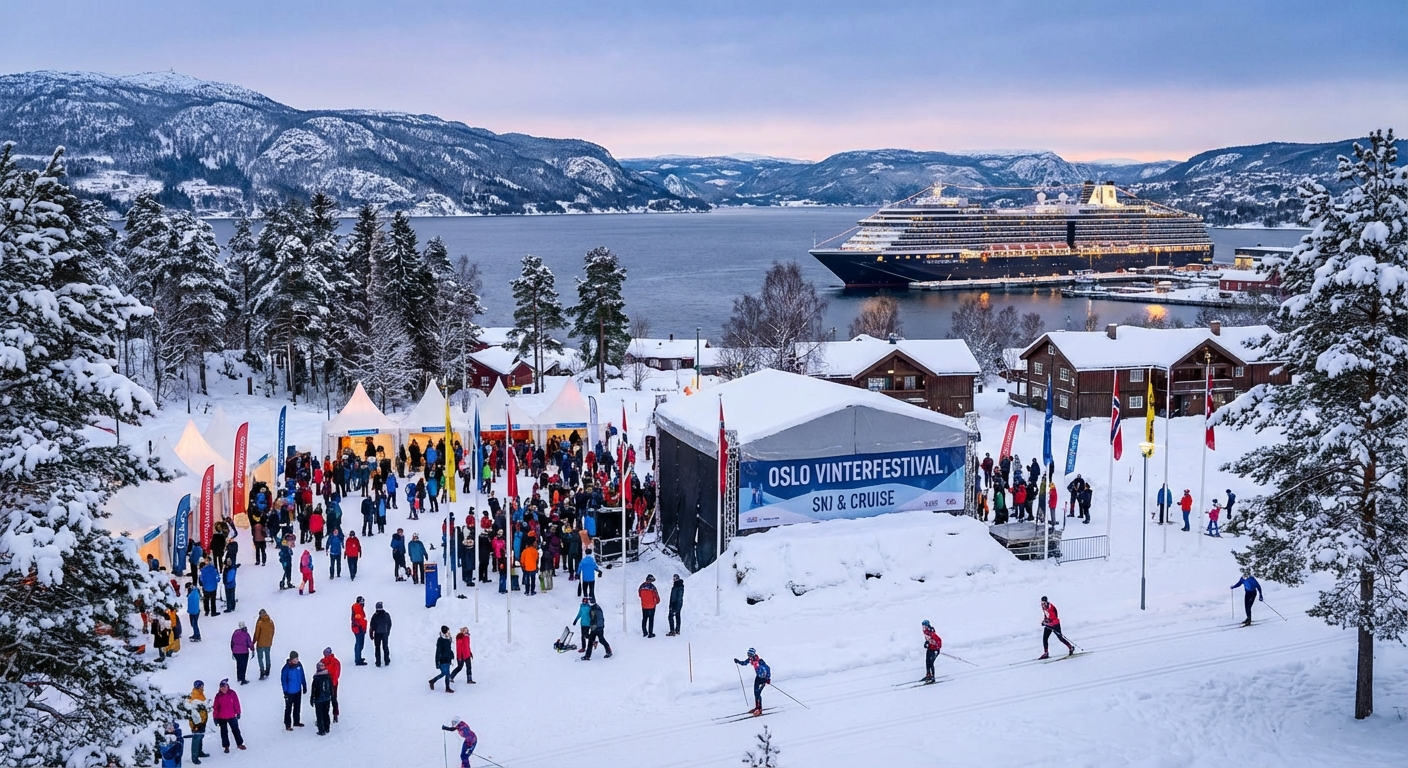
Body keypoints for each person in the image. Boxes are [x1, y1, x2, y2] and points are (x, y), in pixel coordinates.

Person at [211, 679, 245, 752]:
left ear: (227, 686)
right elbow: (216, 707)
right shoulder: (218, 696)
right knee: (224, 732)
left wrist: (238, 712)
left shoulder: (232, 693)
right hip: (221, 717)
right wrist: (215, 718)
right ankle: (226, 746)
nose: (223, 688)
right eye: (222, 687)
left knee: (236, 730)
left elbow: (236, 703)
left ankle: (240, 744)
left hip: (232, 715)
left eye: (224, 686)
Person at [734, 648, 771, 716]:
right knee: (755, 693)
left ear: (753, 654)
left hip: (763, 679)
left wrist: (768, 678)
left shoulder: (760, 661)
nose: (749, 656)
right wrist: (738, 661)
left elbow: (768, 668)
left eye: (750, 654)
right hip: (758, 678)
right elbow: (744, 663)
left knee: (758, 694)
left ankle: (759, 709)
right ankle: (757, 707)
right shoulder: (751, 660)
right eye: (748, 654)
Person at [280, 651, 307, 730]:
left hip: (298, 690)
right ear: (291, 659)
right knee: (288, 708)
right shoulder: (286, 669)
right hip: (289, 692)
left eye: (297, 659)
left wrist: (304, 685)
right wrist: (285, 692)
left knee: (297, 707)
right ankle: (287, 724)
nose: (296, 660)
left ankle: (296, 721)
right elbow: (284, 681)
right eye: (294, 659)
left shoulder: (299, 665)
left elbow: (302, 675)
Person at [187, 680, 211, 764]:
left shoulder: (200, 693)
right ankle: (194, 757)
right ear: (198, 686)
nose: (203, 687)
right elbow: (195, 709)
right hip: (196, 722)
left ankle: (199, 752)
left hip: (202, 720)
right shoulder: (195, 695)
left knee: (200, 736)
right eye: (201, 686)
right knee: (196, 738)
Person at [427, 625, 456, 692]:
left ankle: (447, 688)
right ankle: (433, 681)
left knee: (447, 674)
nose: (449, 632)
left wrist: (451, 654)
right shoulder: (440, 640)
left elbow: (448, 649)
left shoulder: (448, 639)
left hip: (448, 659)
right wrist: (437, 662)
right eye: (448, 631)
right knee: (444, 673)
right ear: (444, 632)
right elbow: (438, 651)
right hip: (442, 660)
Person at [309, 661, 334, 735]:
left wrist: (312, 698)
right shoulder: (328, 676)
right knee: (326, 713)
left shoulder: (316, 678)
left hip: (319, 699)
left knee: (319, 715)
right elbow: (331, 687)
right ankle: (327, 728)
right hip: (327, 698)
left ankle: (321, 730)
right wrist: (331, 696)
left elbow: (313, 689)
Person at [321, 646, 342, 722]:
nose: (326, 654)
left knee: (333, 699)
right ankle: (325, 715)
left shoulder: (335, 662)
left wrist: (333, 682)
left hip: (333, 683)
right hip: (326, 683)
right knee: (325, 700)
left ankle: (335, 714)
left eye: (327, 653)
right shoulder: (322, 661)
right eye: (325, 653)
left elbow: (336, 673)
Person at [253, 609, 275, 680]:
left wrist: (253, 642)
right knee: (267, 657)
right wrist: (270, 639)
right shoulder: (271, 622)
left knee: (260, 658)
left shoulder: (260, 623)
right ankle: (268, 670)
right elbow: (273, 631)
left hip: (260, 643)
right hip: (268, 643)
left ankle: (262, 671)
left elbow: (257, 634)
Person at [370, 601, 393, 667]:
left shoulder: (375, 616)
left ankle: (378, 662)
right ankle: (387, 661)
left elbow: (372, 625)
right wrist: (388, 632)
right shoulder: (386, 615)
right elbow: (389, 624)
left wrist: (371, 633)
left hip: (377, 634)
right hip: (385, 633)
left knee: (377, 647)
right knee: (385, 647)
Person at [351, 596, 369, 666]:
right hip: (359, 629)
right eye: (362, 602)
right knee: (359, 644)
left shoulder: (357, 607)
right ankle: (358, 660)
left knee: (359, 643)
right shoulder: (357, 608)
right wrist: (362, 627)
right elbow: (360, 619)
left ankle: (358, 658)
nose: (363, 603)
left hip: (357, 628)